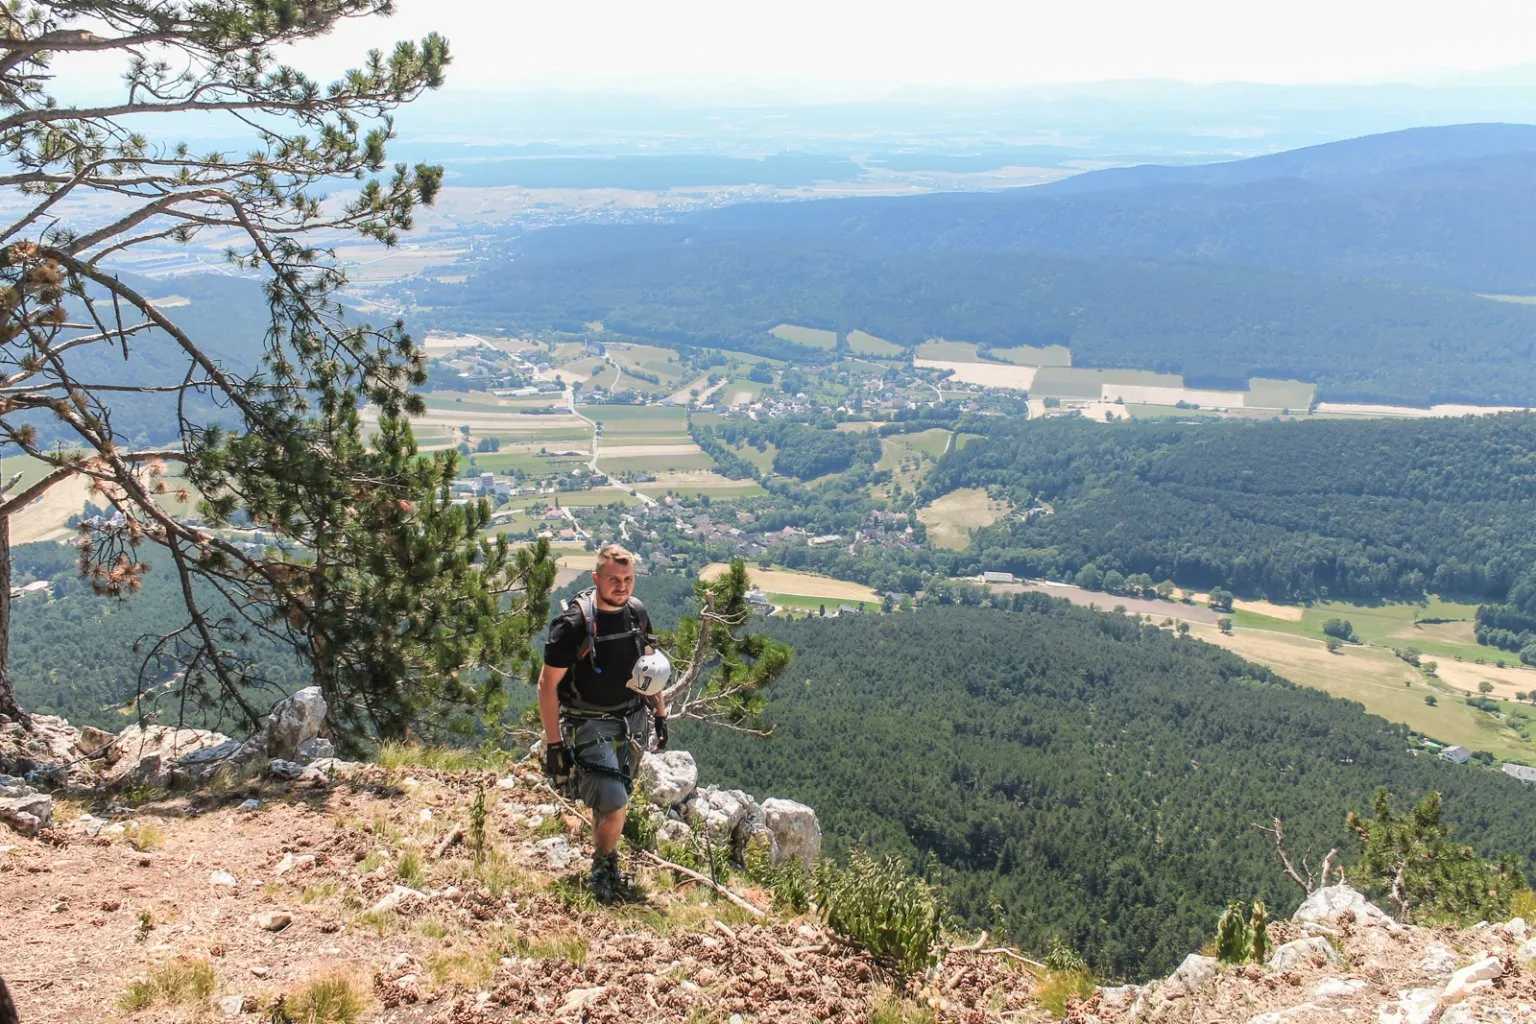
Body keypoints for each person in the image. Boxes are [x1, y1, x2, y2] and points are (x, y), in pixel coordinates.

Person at [539, 544, 669, 902]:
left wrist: (659, 714)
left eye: (628, 579)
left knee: (617, 795)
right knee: (615, 802)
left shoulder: (637, 615)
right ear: (596, 578)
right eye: (613, 579)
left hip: (631, 721)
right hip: (587, 723)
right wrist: (554, 745)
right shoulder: (574, 624)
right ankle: (604, 871)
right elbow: (547, 684)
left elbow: (648, 670)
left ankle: (604, 859)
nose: (622, 586)